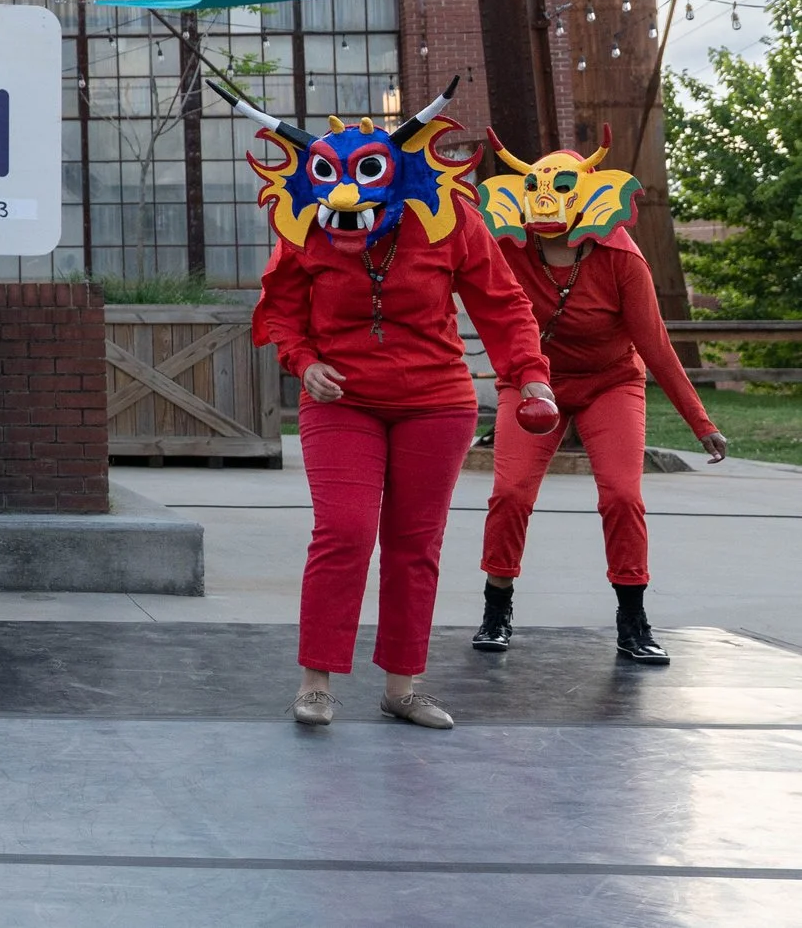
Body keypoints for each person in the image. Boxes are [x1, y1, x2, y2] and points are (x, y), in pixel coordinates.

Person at [223, 78, 554, 730]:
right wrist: (304, 361)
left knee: (415, 542)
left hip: (436, 402)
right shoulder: (307, 224)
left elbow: (504, 303)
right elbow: (282, 310)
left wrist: (531, 375)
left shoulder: (449, 219)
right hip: (341, 399)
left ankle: (403, 684)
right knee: (344, 530)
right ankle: (316, 680)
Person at [470, 132, 730, 663]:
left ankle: (632, 619)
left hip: (610, 382)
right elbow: (479, 303)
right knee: (511, 493)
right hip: (533, 383)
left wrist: (700, 423)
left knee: (621, 495)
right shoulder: (508, 249)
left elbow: (655, 346)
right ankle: (497, 607)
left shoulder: (621, 259)